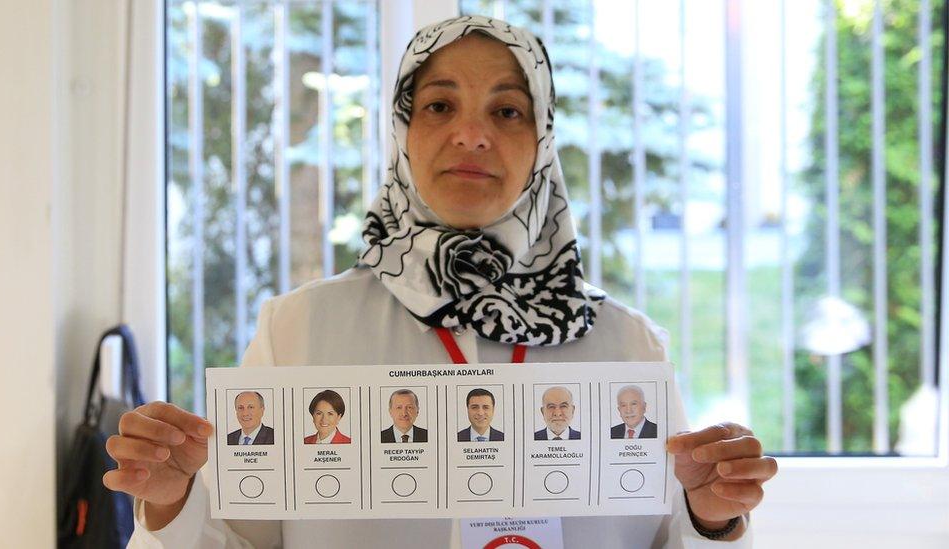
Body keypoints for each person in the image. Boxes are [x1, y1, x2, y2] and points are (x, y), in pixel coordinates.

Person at [106, 15, 776, 547]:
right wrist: (172, 504)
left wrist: (711, 518)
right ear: (402, 131)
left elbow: (676, 540)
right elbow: (236, 541)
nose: (472, 134)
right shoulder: (298, 330)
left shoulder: (627, 344)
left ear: (542, 141)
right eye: (438, 106)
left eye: (508, 111)